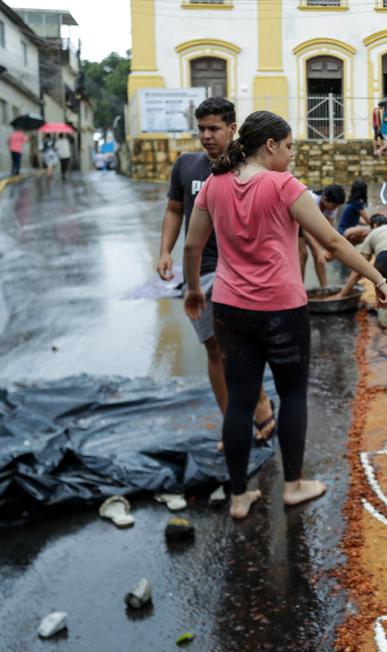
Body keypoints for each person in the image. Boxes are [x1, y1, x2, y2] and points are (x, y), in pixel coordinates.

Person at [183, 110, 387, 519]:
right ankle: (294, 485)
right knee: (293, 394)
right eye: (289, 146)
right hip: (281, 308)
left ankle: (240, 496)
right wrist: (377, 278)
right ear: (270, 145)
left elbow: (193, 247)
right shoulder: (284, 185)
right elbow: (332, 241)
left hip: (229, 306)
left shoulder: (214, 184)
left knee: (241, 401)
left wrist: (194, 289)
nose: (292, 153)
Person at [156, 97, 275, 448]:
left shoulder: (248, 169)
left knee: (244, 348)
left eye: (214, 129)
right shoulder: (186, 166)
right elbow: (175, 210)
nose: (206, 136)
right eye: (201, 129)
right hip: (205, 272)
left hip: (242, 271)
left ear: (232, 129)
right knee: (216, 350)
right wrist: (164, 251)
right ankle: (232, 425)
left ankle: (259, 400)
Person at [299, 184, 344, 289]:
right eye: (333, 206)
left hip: (311, 224)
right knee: (303, 254)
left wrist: (329, 249)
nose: (334, 209)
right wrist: (319, 249)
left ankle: (324, 287)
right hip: (297, 223)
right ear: (324, 199)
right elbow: (305, 230)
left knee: (319, 255)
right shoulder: (311, 199)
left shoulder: (332, 206)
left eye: (337, 206)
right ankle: (299, 288)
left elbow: (328, 229)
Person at [338, 179, 372, 245]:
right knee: (367, 232)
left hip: (342, 230)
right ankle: (350, 245)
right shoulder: (357, 203)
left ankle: (350, 246)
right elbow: (368, 221)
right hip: (344, 232)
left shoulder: (352, 201)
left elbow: (356, 220)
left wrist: (368, 224)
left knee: (364, 230)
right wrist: (378, 223)